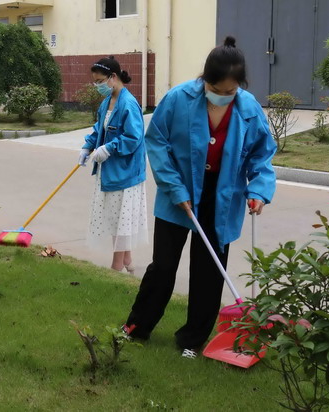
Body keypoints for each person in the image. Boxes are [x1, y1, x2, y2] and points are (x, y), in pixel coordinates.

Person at [122, 36, 277, 359]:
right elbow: (157, 142)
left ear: (240, 86)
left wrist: (259, 190)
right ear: (205, 79)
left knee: (209, 271)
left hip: (223, 196)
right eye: (216, 89)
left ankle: (192, 340)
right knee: (163, 266)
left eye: (230, 92)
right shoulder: (178, 99)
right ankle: (137, 327)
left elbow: (262, 156)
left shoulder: (248, 108)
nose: (223, 96)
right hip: (178, 190)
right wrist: (175, 189)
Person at [79, 56, 147, 273]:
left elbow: (134, 137)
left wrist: (109, 148)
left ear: (113, 77)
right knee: (115, 216)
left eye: (100, 81)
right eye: (95, 82)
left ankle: (116, 266)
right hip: (110, 170)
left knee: (120, 219)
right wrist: (88, 146)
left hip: (126, 171)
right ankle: (127, 259)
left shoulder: (128, 104)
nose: (97, 86)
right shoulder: (106, 102)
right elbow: (99, 128)